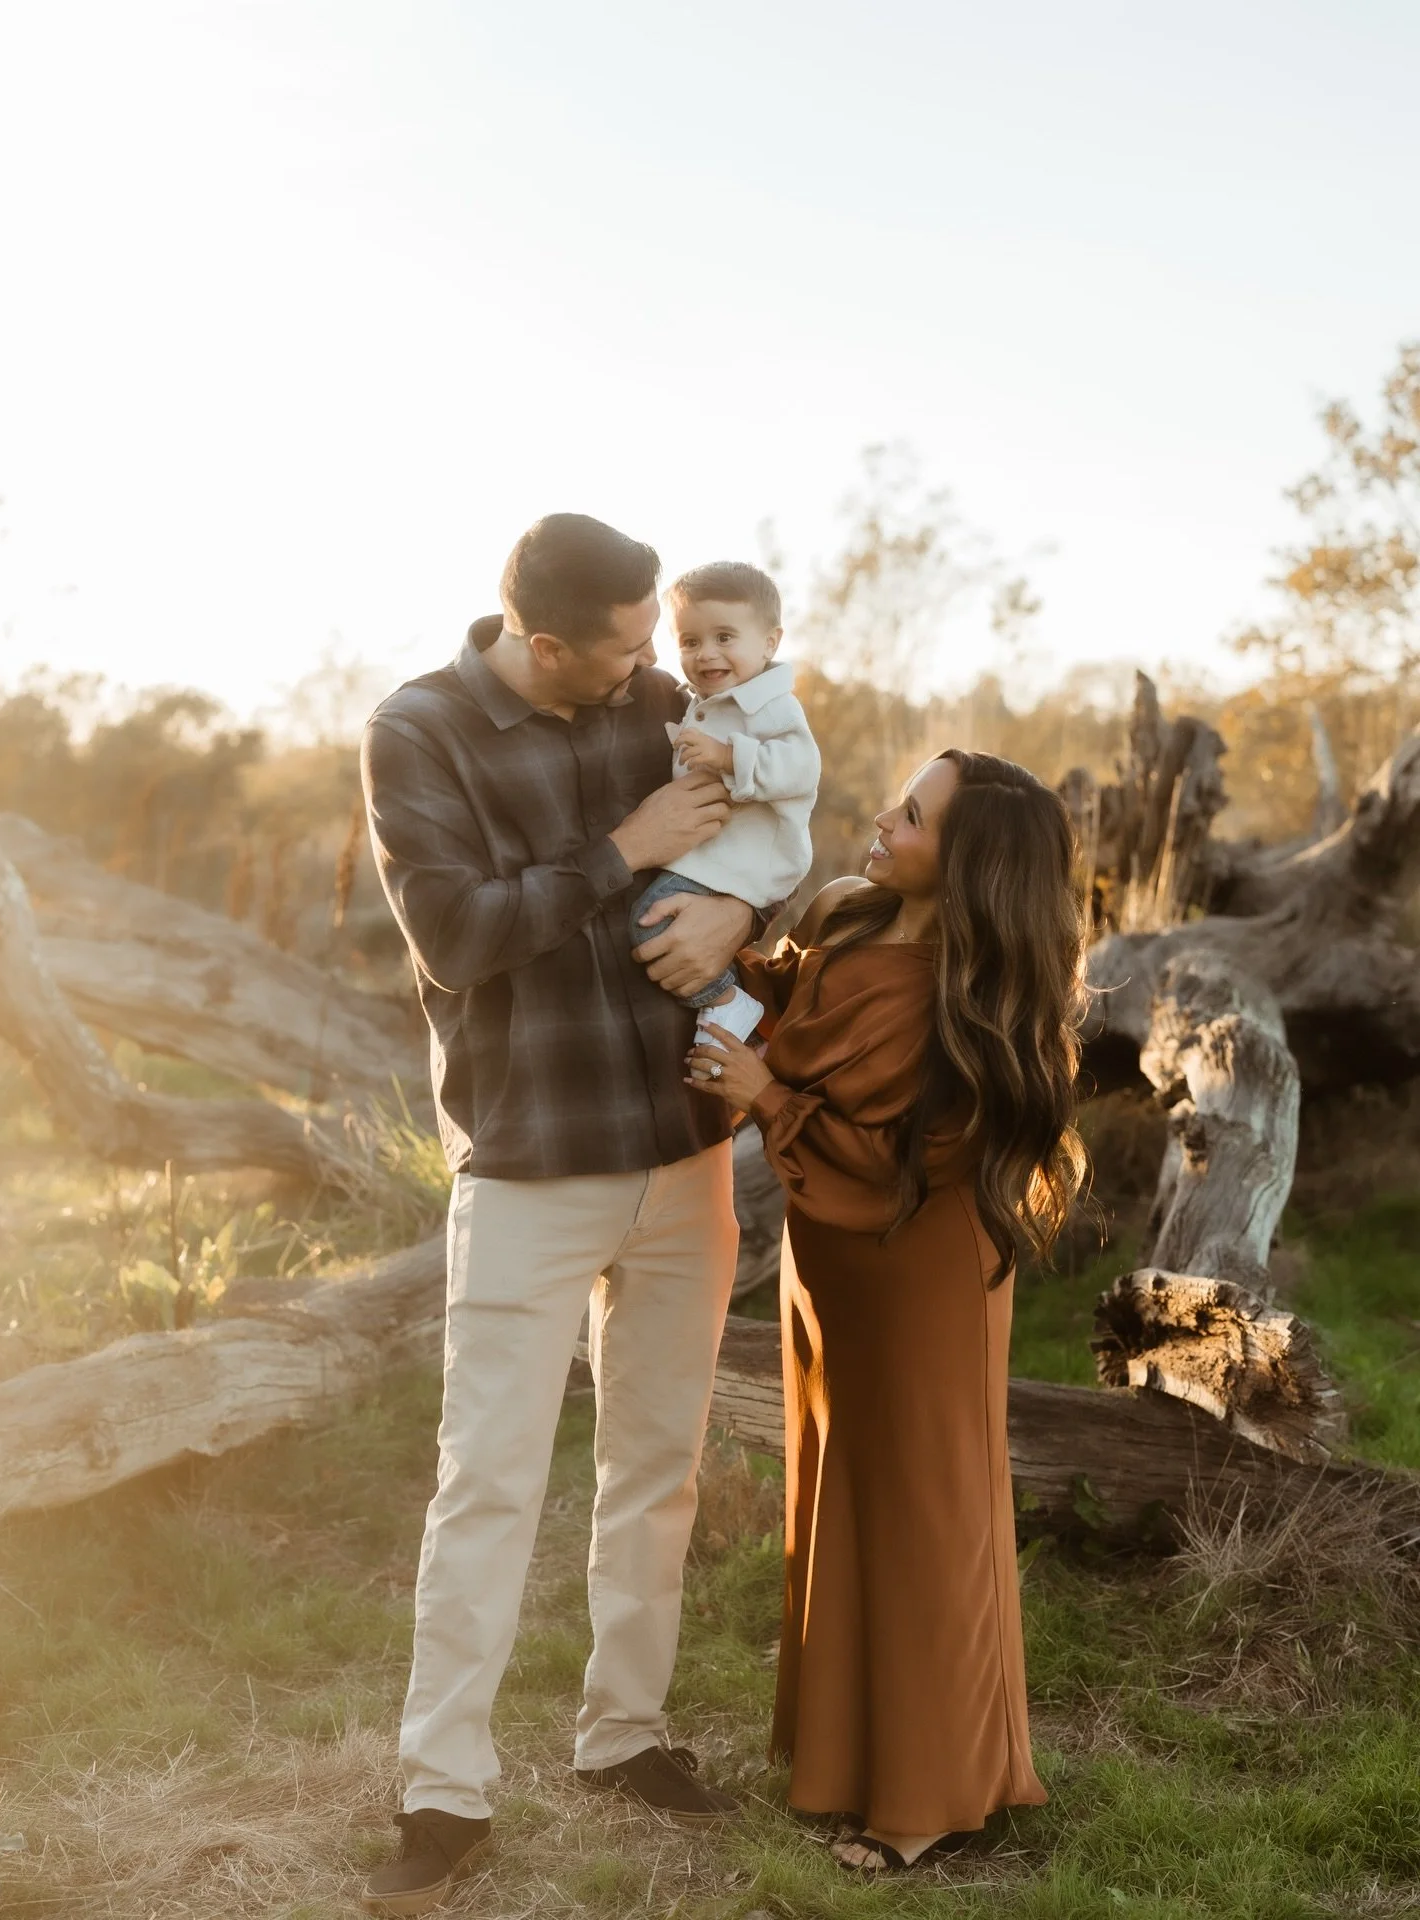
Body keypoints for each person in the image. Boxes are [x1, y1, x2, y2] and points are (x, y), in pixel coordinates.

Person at [359, 514, 768, 1916]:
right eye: (626, 646)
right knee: (489, 1481)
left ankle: (624, 1736)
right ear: (543, 644)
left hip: (682, 1147)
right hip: (532, 1161)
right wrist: (621, 846)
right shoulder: (418, 734)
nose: (658, 669)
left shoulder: (661, 705)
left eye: (659, 640)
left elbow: (748, 851)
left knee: (657, 1464)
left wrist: (735, 925)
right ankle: (445, 1791)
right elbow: (458, 936)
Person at [686, 749, 1088, 1873]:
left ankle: (929, 1794)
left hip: (919, 1265)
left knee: (924, 1503)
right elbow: (789, 998)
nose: (881, 821)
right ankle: (848, 1756)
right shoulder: (851, 918)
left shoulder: (979, 1003)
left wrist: (766, 1096)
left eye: (910, 817)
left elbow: (924, 1152)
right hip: (830, 1258)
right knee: (841, 1486)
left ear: (969, 869)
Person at [627, 562, 820, 1045]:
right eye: (690, 642)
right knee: (662, 921)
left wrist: (727, 756)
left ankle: (728, 1003)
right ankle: (743, 1039)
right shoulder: (706, 699)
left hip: (748, 861)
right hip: (716, 856)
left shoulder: (772, 704)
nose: (706, 653)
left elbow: (801, 767)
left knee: (651, 920)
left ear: (770, 643)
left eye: (725, 637)